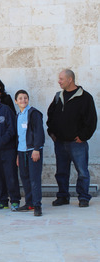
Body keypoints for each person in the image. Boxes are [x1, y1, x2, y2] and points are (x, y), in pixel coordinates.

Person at [47, 69, 97, 208]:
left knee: (82, 171)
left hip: (77, 143)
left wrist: (83, 136)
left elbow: (91, 120)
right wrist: (52, 133)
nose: (59, 81)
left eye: (61, 79)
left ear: (70, 80)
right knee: (61, 172)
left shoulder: (86, 97)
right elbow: (50, 116)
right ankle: (63, 197)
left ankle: (83, 197)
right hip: (60, 143)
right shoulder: (58, 96)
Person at [15, 90, 44, 216]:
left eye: (25, 98)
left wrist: (36, 149)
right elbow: (19, 136)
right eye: (20, 98)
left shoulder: (33, 113)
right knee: (25, 179)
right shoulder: (18, 116)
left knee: (34, 179)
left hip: (33, 150)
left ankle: (37, 205)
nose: (23, 100)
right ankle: (29, 203)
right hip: (21, 152)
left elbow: (39, 132)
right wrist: (17, 154)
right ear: (16, 101)